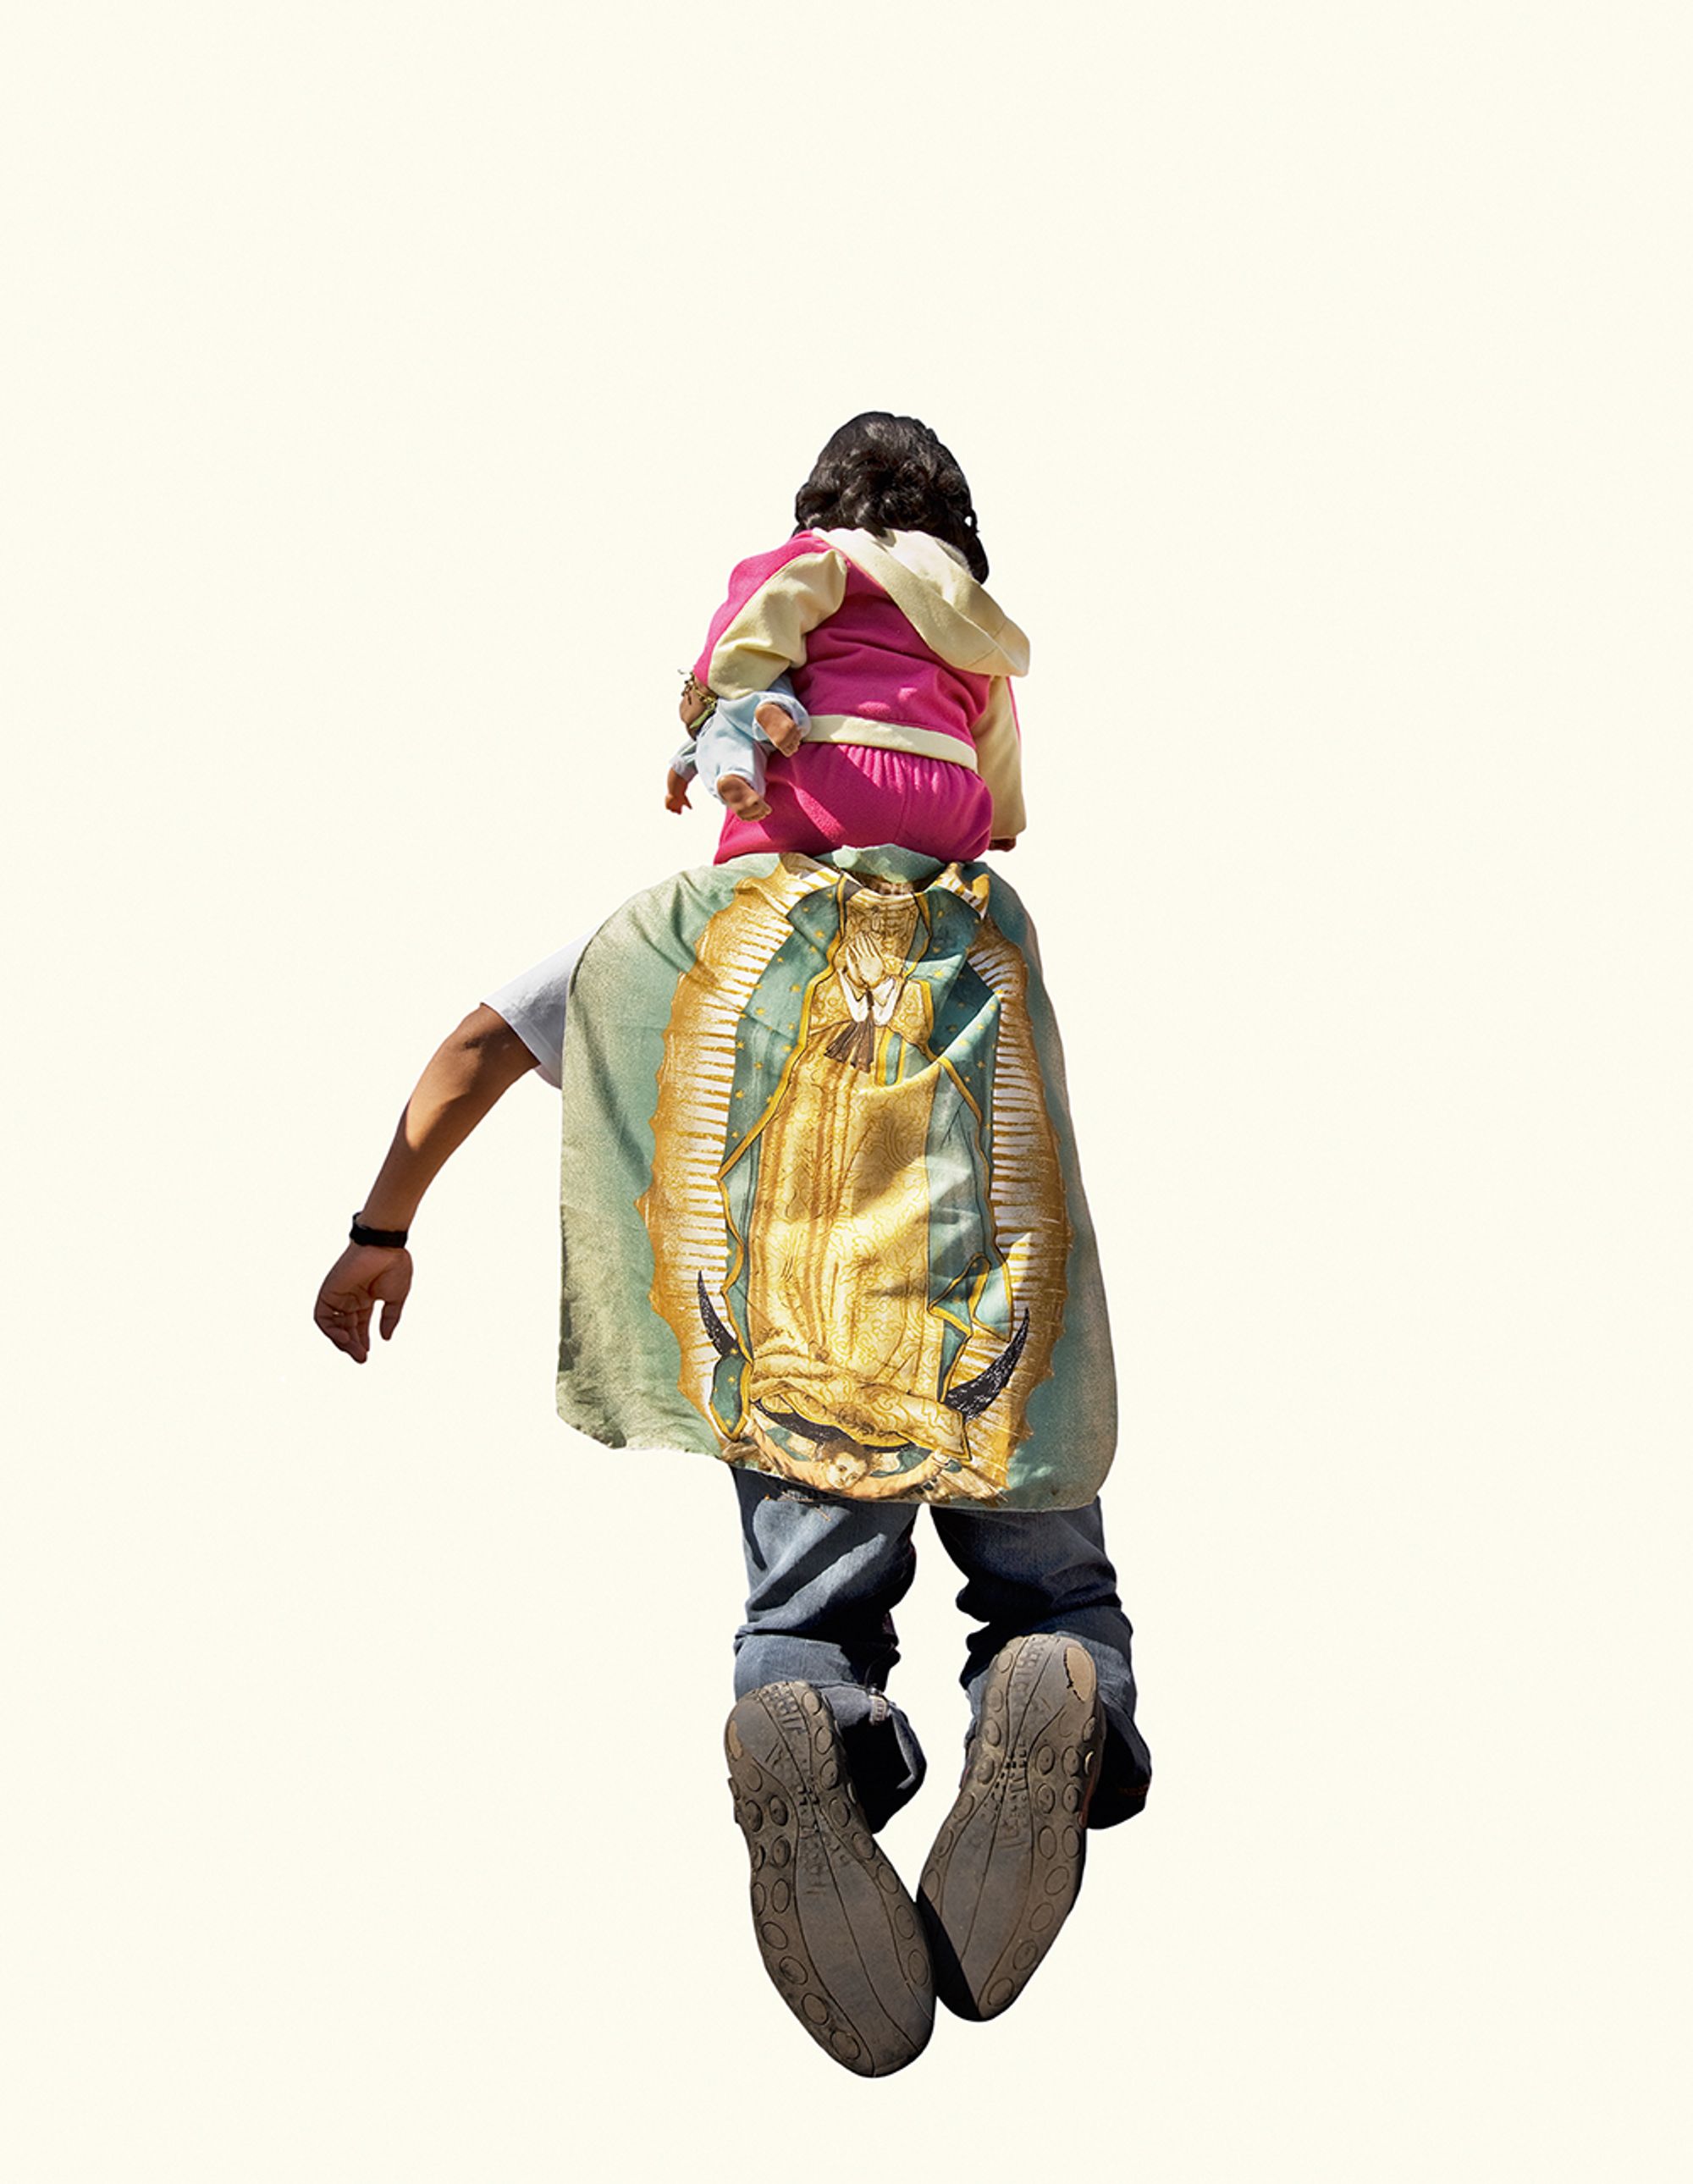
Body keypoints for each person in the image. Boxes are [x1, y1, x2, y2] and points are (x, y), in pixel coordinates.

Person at [315, 846, 1152, 2079]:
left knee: (808, 1618)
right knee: (1053, 1599)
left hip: (798, 1352)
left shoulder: (677, 929)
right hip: (996, 1350)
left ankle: (810, 1727)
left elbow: (478, 1046)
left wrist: (379, 1229)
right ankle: (1054, 1693)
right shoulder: (980, 918)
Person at [667, 412, 1028, 864]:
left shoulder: (830, 557)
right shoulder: (966, 600)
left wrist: (709, 689)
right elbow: (999, 726)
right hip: (951, 805)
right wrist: (1003, 820)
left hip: (832, 782)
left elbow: (746, 629)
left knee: (743, 865)